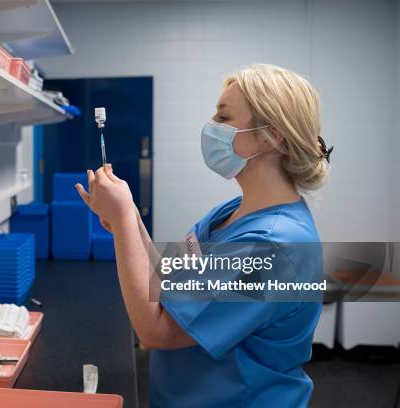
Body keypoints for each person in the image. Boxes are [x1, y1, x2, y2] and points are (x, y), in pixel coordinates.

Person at [75, 64, 333, 407]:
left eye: (223, 118)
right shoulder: (230, 213)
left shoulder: (275, 246)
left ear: (270, 136)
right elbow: (168, 282)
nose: (211, 126)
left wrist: (122, 218)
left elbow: (156, 332)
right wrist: (131, 218)